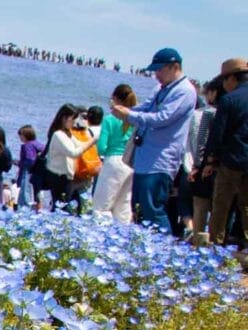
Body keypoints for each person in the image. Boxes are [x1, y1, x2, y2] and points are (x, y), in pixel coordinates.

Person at [111, 48, 197, 234]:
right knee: (138, 209)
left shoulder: (185, 91)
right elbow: (146, 107)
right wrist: (125, 110)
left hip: (161, 160)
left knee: (153, 210)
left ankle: (163, 252)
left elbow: (162, 118)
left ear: (174, 67)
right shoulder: (161, 88)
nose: (156, 75)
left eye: (159, 70)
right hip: (144, 158)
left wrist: (130, 115)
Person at [202, 58, 248, 246]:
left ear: (231, 79)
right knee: (246, 207)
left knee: (221, 206)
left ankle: (215, 247)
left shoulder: (229, 100)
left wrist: (210, 160)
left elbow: (217, 135)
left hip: (231, 161)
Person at [92, 84, 137, 223]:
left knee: (102, 206)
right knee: (123, 206)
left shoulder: (110, 119)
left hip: (113, 160)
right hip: (130, 162)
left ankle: (99, 238)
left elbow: (102, 147)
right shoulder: (134, 119)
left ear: (115, 99)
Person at [187, 78, 223, 239]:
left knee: (201, 204)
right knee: (220, 209)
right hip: (224, 166)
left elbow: (202, 140)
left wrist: (197, 165)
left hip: (206, 166)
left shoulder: (208, 113)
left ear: (214, 93)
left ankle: (198, 239)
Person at [44, 104, 98, 211]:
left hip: (66, 177)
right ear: (64, 118)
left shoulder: (67, 133)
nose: (74, 122)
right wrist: (93, 140)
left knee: (66, 206)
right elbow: (73, 153)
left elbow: (79, 144)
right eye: (73, 119)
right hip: (58, 177)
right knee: (61, 208)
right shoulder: (58, 134)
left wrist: (89, 138)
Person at [15, 125, 44, 209]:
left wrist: (19, 163)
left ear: (25, 135)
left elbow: (30, 160)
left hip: (28, 172)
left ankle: (25, 210)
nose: (20, 138)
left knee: (25, 195)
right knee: (37, 195)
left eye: (20, 136)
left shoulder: (27, 145)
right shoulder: (38, 144)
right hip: (38, 174)